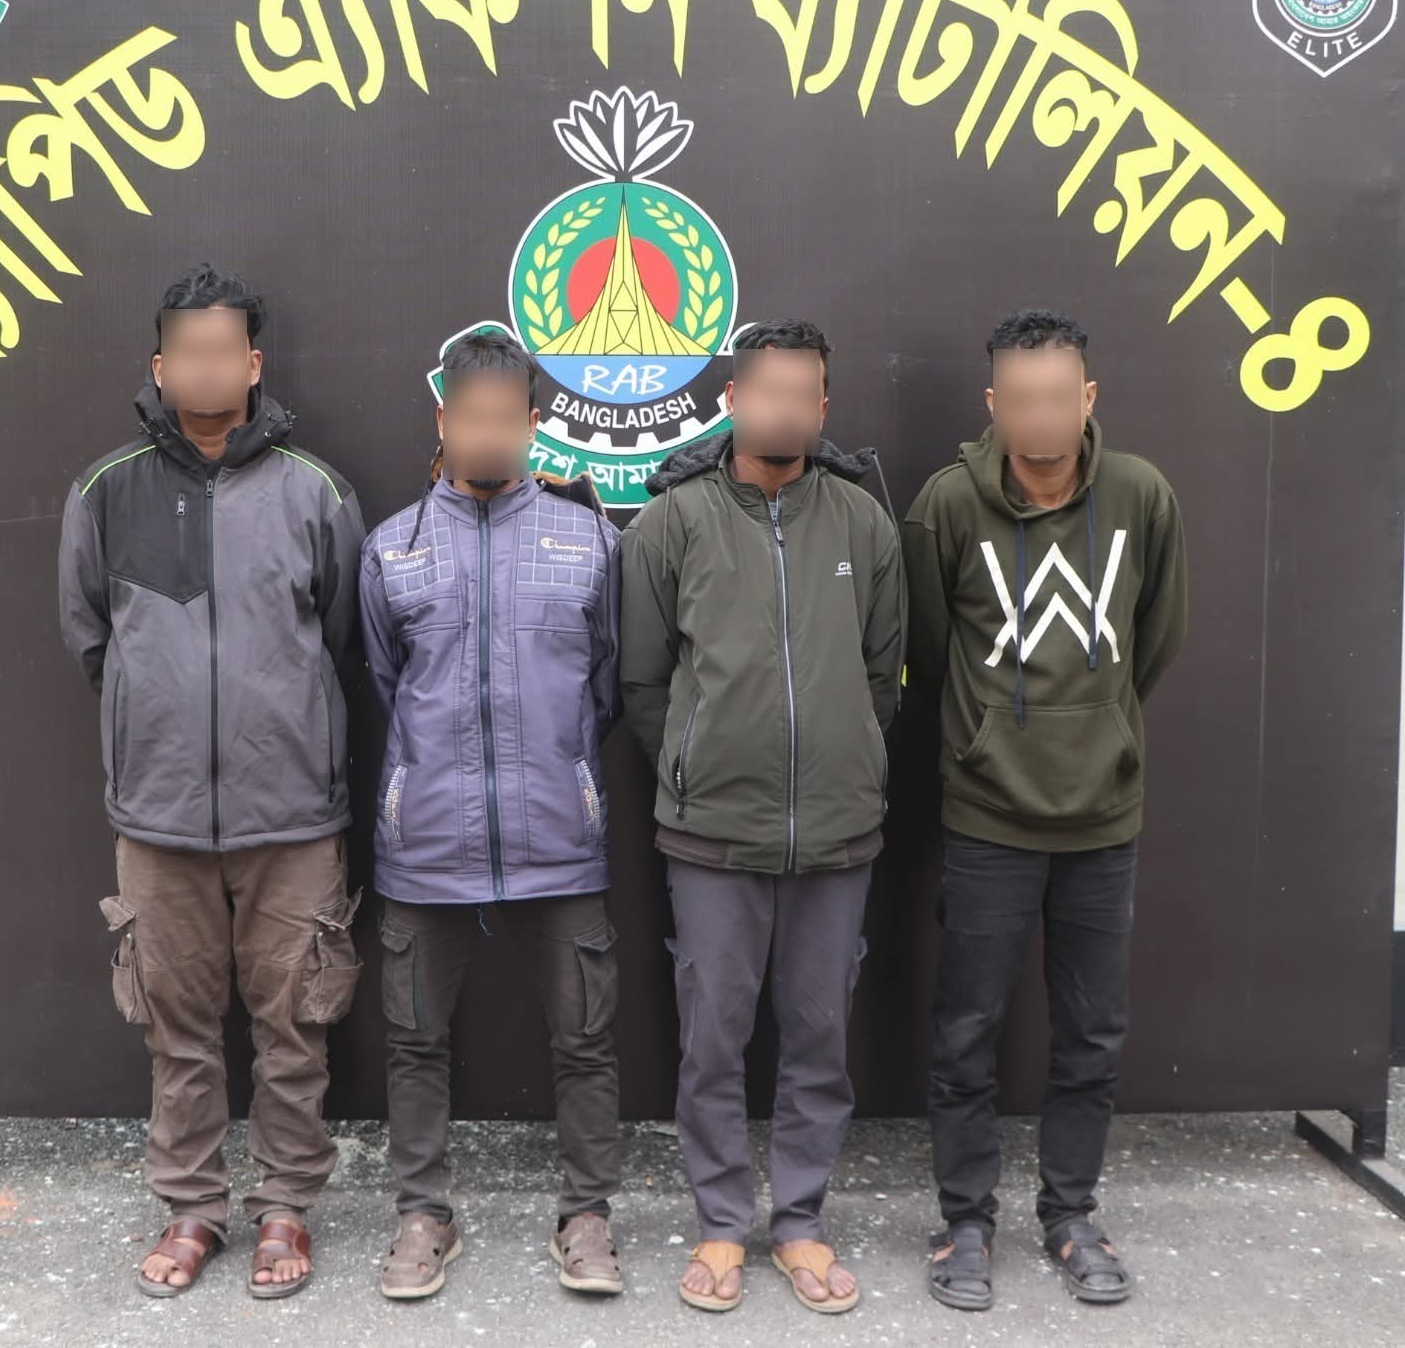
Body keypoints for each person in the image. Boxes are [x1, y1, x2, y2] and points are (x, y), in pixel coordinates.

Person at [58, 263, 366, 1300]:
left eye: (221, 349)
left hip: (294, 812)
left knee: (295, 1025)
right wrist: (158, 724)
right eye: (185, 350)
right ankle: (191, 1206)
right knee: (176, 1028)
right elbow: (92, 638)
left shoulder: (314, 490)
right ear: (159, 364)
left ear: (252, 362)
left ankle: (285, 1204)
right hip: (160, 815)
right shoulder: (106, 490)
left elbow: (341, 639)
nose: (203, 365)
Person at [903, 308, 1188, 1312]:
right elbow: (927, 650)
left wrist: (1100, 727)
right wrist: (990, 736)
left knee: (1092, 1034)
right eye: (1021, 398)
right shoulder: (946, 505)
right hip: (988, 815)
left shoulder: (1141, 495)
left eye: (1059, 397)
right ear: (994, 403)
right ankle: (965, 1220)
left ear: (1088, 397)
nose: (1041, 416)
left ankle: (1070, 1212)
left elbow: (1156, 635)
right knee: (965, 1031)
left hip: (1103, 817)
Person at [618, 318, 905, 1316]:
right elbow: (643, 681)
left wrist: (841, 759)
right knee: (714, 1035)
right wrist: (701, 766)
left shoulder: (863, 524)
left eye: (802, 394)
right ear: (733, 400)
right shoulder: (672, 522)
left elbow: (883, 676)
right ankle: (719, 1221)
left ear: (822, 406)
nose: (784, 409)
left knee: (820, 1035)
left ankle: (801, 1221)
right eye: (766, 391)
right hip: (711, 836)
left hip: (837, 832)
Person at [358, 329, 625, 1301]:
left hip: (559, 839)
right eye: (469, 416)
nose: (485, 433)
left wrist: (560, 771)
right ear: (443, 419)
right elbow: (386, 681)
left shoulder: (589, 541)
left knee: (585, 1040)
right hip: (426, 843)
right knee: (413, 1042)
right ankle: (423, 1212)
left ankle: (586, 1213)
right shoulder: (391, 548)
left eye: (504, 418)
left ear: (533, 423)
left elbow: (607, 687)